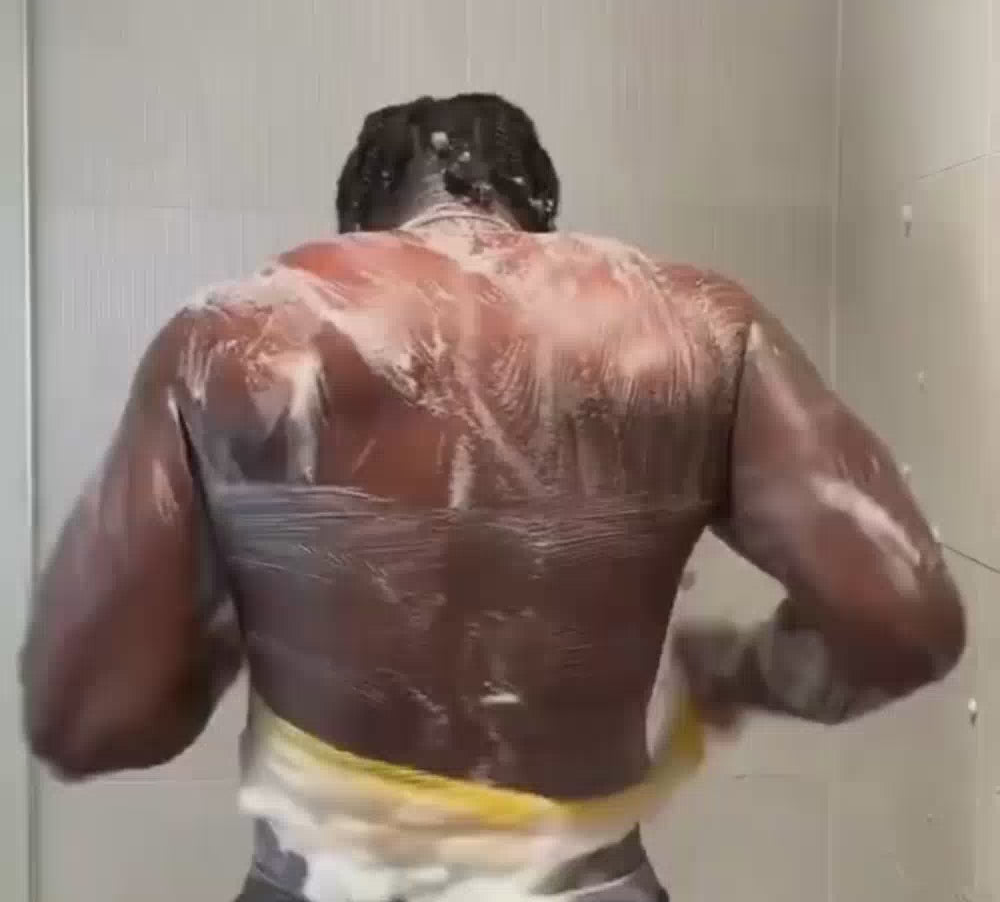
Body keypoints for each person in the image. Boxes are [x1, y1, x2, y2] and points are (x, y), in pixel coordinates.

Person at [21, 93, 966, 902]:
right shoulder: (698, 332)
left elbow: (90, 719)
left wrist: (231, 617)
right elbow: (901, 619)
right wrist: (742, 674)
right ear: (538, 215)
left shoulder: (231, 344)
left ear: (361, 224)